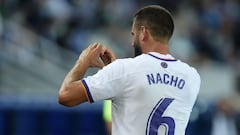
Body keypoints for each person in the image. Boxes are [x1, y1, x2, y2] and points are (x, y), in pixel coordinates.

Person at [58, 5, 201, 135]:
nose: (132, 42)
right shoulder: (192, 77)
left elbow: (66, 96)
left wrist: (83, 61)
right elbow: (150, 91)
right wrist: (113, 72)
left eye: (133, 34)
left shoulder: (125, 70)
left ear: (143, 32)